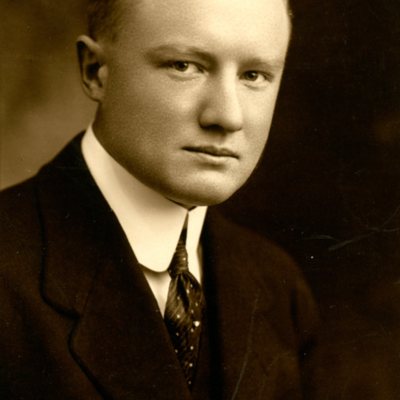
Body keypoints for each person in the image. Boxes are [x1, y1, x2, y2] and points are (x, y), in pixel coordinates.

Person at [0, 0, 318, 398]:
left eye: (254, 75)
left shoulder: (277, 285)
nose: (228, 116)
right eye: (184, 66)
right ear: (95, 71)